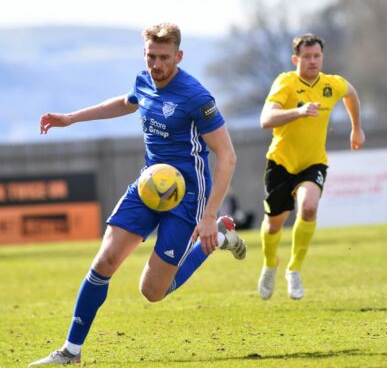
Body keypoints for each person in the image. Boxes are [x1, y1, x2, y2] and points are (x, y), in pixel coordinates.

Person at [29, 23, 247, 365]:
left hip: (187, 197)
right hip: (147, 188)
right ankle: (71, 352)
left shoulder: (196, 97)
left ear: (179, 56)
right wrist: (71, 118)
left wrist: (207, 216)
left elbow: (227, 156)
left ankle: (217, 237)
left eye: (164, 57)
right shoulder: (144, 80)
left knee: (152, 291)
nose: (156, 65)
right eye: (150, 56)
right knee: (105, 261)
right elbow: (125, 103)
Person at [257, 33, 365, 300]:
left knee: (308, 207)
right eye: (307, 57)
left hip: (313, 163)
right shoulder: (286, 82)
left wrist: (356, 128)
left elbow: (351, 93)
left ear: (322, 57)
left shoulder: (332, 84)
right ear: (296, 59)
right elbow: (265, 119)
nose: (312, 61)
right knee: (273, 225)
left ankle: (294, 269)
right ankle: (271, 264)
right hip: (281, 164)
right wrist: (299, 111)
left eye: (317, 56)